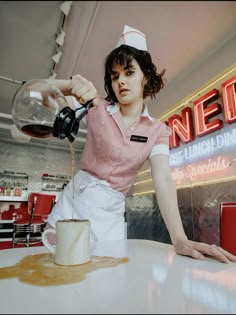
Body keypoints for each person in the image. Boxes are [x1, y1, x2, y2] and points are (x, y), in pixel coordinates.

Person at [43, 25, 236, 264]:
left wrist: (179, 238)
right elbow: (37, 92)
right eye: (115, 76)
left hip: (109, 216)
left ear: (145, 75)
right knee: (53, 274)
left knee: (102, 286)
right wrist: (69, 85)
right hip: (73, 206)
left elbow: (163, 179)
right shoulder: (97, 108)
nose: (120, 81)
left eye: (129, 72)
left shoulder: (157, 132)